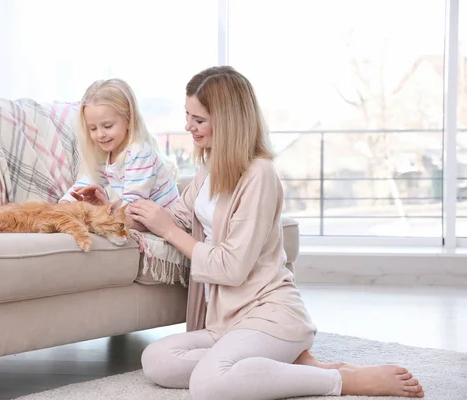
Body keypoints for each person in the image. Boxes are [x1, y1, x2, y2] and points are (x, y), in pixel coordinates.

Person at [128, 66, 424, 400]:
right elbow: (176, 218)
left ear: (227, 121)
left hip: (268, 313)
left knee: (209, 384)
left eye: (198, 120)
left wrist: (165, 228)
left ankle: (342, 381)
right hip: (224, 320)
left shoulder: (260, 175)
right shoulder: (208, 172)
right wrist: (121, 213)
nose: (188, 127)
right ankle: (287, 366)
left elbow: (231, 266)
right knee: (157, 360)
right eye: (188, 116)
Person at [59, 79, 179, 225]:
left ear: (128, 119)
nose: (100, 134)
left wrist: (107, 210)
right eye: (93, 128)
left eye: (107, 126)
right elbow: (90, 179)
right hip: (140, 216)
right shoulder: (106, 152)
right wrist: (65, 203)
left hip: (166, 223)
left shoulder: (139, 152)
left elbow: (132, 206)